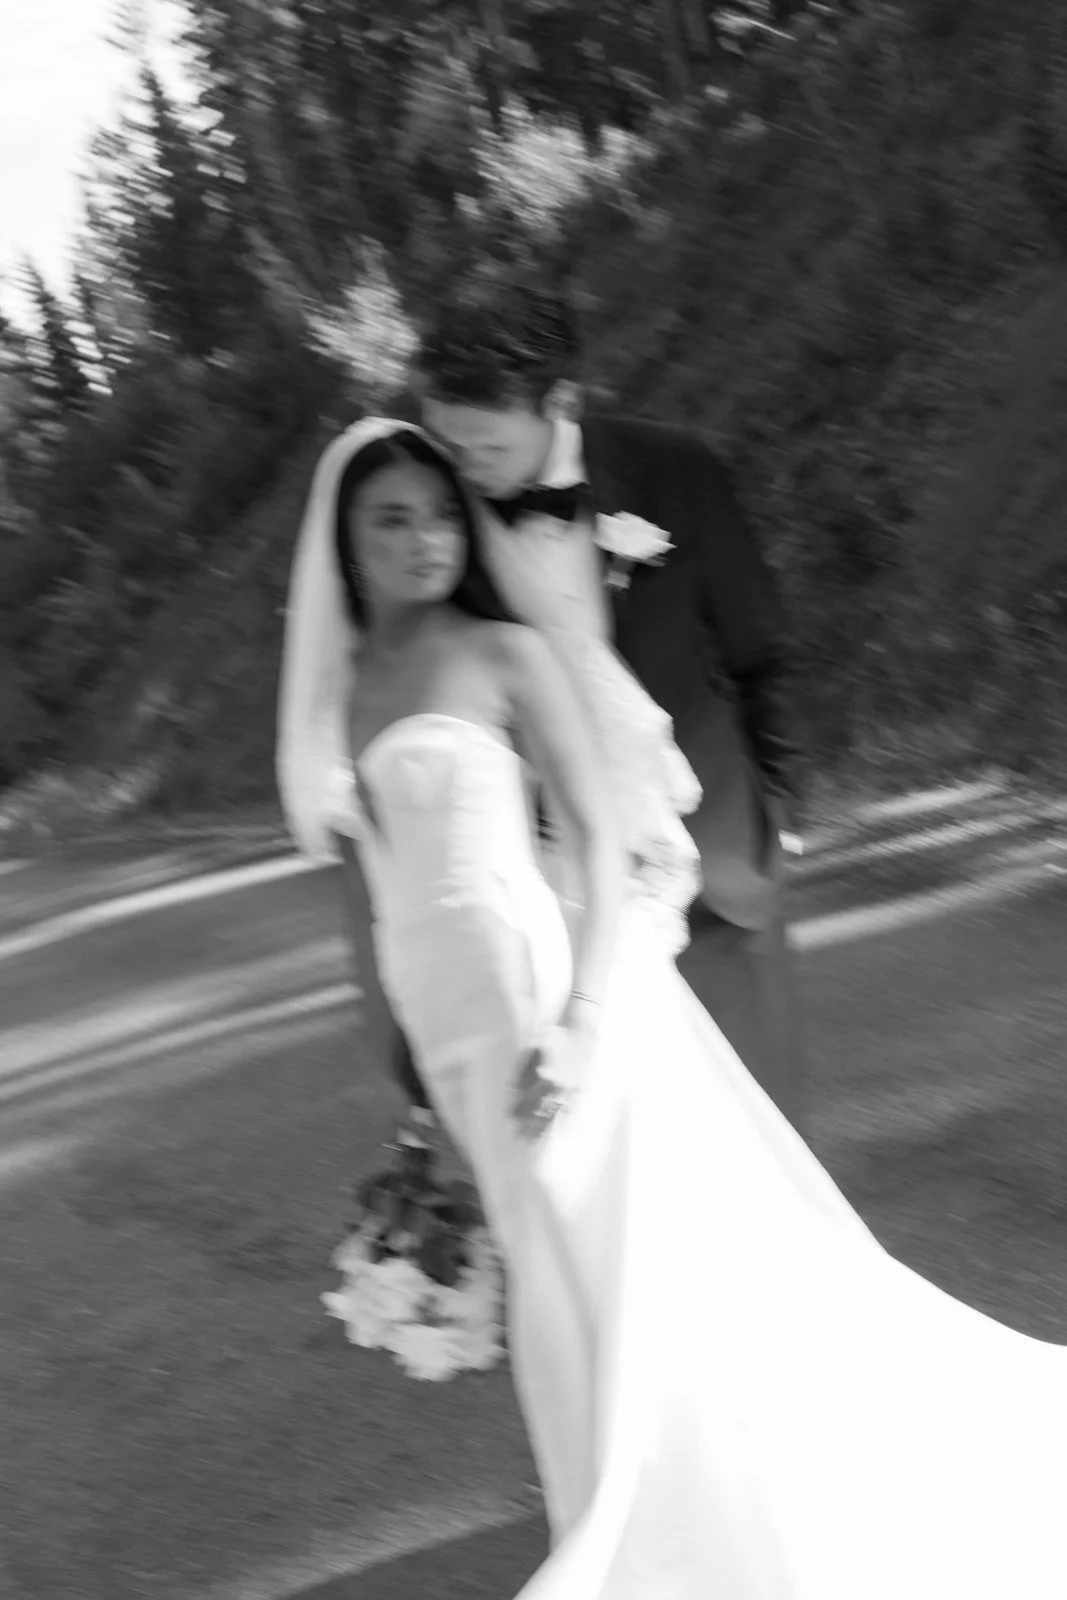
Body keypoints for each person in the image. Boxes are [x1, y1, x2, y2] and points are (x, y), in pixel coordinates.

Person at [277, 418, 1067, 1599]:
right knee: (556, 1271)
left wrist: (584, 1015)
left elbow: (600, 841)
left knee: (626, 1266)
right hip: (445, 1023)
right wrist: (406, 1080)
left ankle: (682, 1531)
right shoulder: (338, 697)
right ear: (343, 542)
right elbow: (370, 891)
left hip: (548, 996)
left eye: (439, 513)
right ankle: (624, 1506)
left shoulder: (504, 654)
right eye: (390, 519)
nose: (424, 538)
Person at [414, 276, 805, 1130]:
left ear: (560, 401)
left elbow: (759, 650)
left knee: (760, 1144)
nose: (461, 469)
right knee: (608, 1159)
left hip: (714, 873)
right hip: (552, 900)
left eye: (484, 446)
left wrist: (778, 811)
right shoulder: (431, 524)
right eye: (445, 442)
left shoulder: (675, 470)